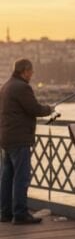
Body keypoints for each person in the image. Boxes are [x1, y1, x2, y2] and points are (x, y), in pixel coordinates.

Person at [0, 59, 54, 225]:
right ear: (24, 71)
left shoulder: (6, 86)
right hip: (19, 139)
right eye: (31, 72)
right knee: (21, 177)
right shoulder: (22, 87)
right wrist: (49, 109)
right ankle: (20, 213)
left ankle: (5, 212)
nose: (32, 75)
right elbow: (34, 109)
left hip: (6, 137)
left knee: (7, 176)